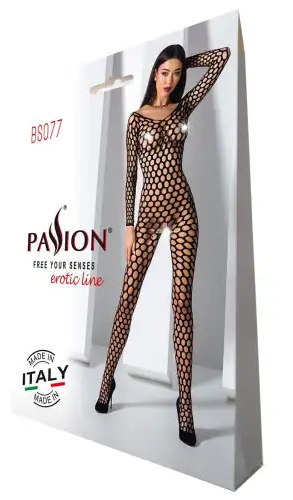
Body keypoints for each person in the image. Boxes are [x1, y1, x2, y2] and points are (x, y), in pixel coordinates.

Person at [95, 43, 231, 447]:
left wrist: (183, 60)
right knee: (127, 298)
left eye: (176, 73)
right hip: (149, 215)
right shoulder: (136, 120)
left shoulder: (183, 108)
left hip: (183, 210)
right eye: (164, 71)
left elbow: (221, 57)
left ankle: (184, 402)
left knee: (181, 303)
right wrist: (129, 227)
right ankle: (107, 380)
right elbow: (130, 177)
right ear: (154, 72)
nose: (171, 80)